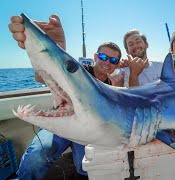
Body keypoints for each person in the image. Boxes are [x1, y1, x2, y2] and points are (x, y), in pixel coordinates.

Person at [9, 14, 124, 180]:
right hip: (61, 117)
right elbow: (41, 77)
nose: (107, 62)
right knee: (36, 158)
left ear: (117, 64)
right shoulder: (78, 70)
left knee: (87, 168)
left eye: (113, 60)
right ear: (95, 57)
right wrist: (57, 48)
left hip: (90, 129)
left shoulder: (117, 82)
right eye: (104, 57)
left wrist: (116, 88)